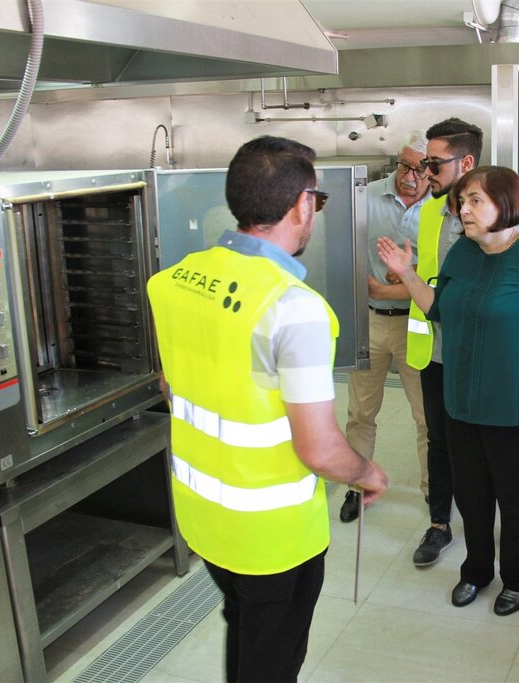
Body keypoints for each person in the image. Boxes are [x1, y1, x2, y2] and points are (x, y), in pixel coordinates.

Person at [147, 135, 388, 683]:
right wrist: (368, 473)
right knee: (272, 662)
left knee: (246, 631)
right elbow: (321, 449)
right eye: (318, 203)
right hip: (273, 536)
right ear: (303, 203)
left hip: (203, 516)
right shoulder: (293, 308)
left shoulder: (174, 282)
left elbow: (171, 385)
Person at [380, 166, 519, 616]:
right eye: (462, 202)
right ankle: (476, 571)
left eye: (475, 201)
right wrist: (406, 274)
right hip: (461, 402)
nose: (463, 210)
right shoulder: (462, 254)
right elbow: (440, 309)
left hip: (517, 406)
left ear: (506, 204)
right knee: (472, 495)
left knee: (517, 498)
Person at [402, 118, 483, 567]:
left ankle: (479, 533)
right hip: (433, 348)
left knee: (473, 444)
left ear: (466, 162)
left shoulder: (501, 209)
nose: (425, 172)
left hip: (476, 351)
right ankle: (439, 524)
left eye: (434, 163)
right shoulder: (429, 212)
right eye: (425, 162)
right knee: (439, 440)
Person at [339, 132, 431, 525]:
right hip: (371, 320)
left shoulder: (442, 209)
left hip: (418, 325)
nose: (409, 175)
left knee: (427, 416)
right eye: (404, 164)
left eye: (420, 168)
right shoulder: (366, 195)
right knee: (361, 411)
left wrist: (390, 287)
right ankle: (356, 487)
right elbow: (345, 248)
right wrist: (374, 289)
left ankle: (434, 491)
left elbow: (439, 275)